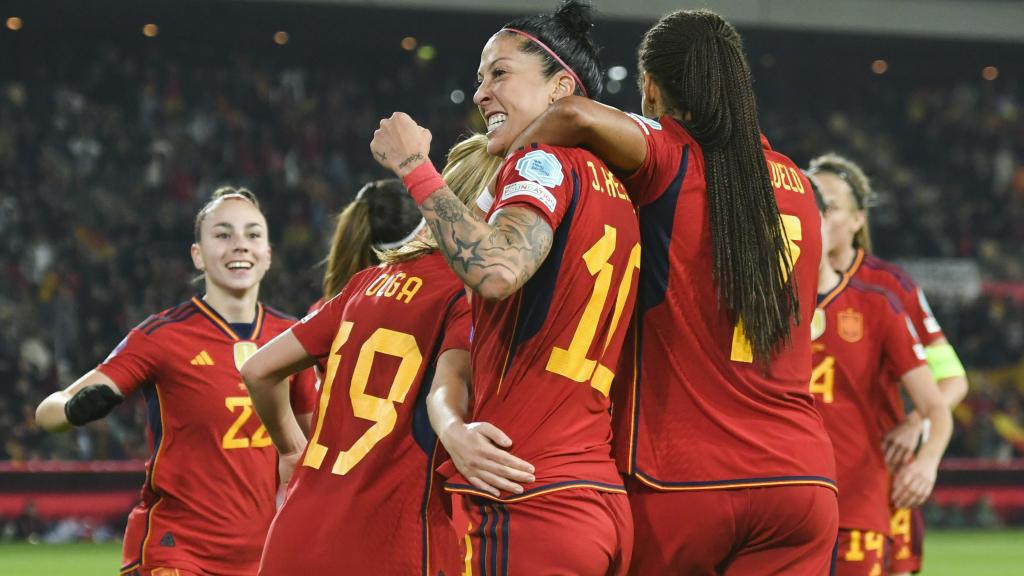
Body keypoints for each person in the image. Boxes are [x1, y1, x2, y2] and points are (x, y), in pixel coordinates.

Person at [508, 8, 837, 574]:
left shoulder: (670, 154)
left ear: (653, 88)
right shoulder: (797, 184)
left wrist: (506, 153)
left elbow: (575, 115)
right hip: (801, 481)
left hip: (684, 479)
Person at [371, 2, 639, 573]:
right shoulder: (619, 186)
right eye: (479, 79)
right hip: (597, 494)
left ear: (560, 88)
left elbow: (495, 269)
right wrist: (452, 424)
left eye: (499, 73)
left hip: (528, 494)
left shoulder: (543, 163)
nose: (480, 93)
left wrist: (417, 167)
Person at [241, 135, 500, 576]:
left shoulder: (364, 284)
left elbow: (258, 369)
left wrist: (289, 450)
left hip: (293, 537)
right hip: (391, 541)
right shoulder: (469, 293)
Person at [34, 187, 316, 576]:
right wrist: (71, 409)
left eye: (253, 235)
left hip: (265, 557)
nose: (240, 245)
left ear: (268, 254)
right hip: (176, 553)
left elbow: (310, 449)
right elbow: (47, 412)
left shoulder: (295, 338)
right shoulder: (162, 337)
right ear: (197, 255)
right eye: (223, 235)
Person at [808, 153, 970, 575]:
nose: (818, 214)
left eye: (831, 207)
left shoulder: (888, 288)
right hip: (805, 477)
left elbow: (951, 378)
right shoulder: (781, 287)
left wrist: (918, 423)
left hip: (871, 472)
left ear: (858, 219)